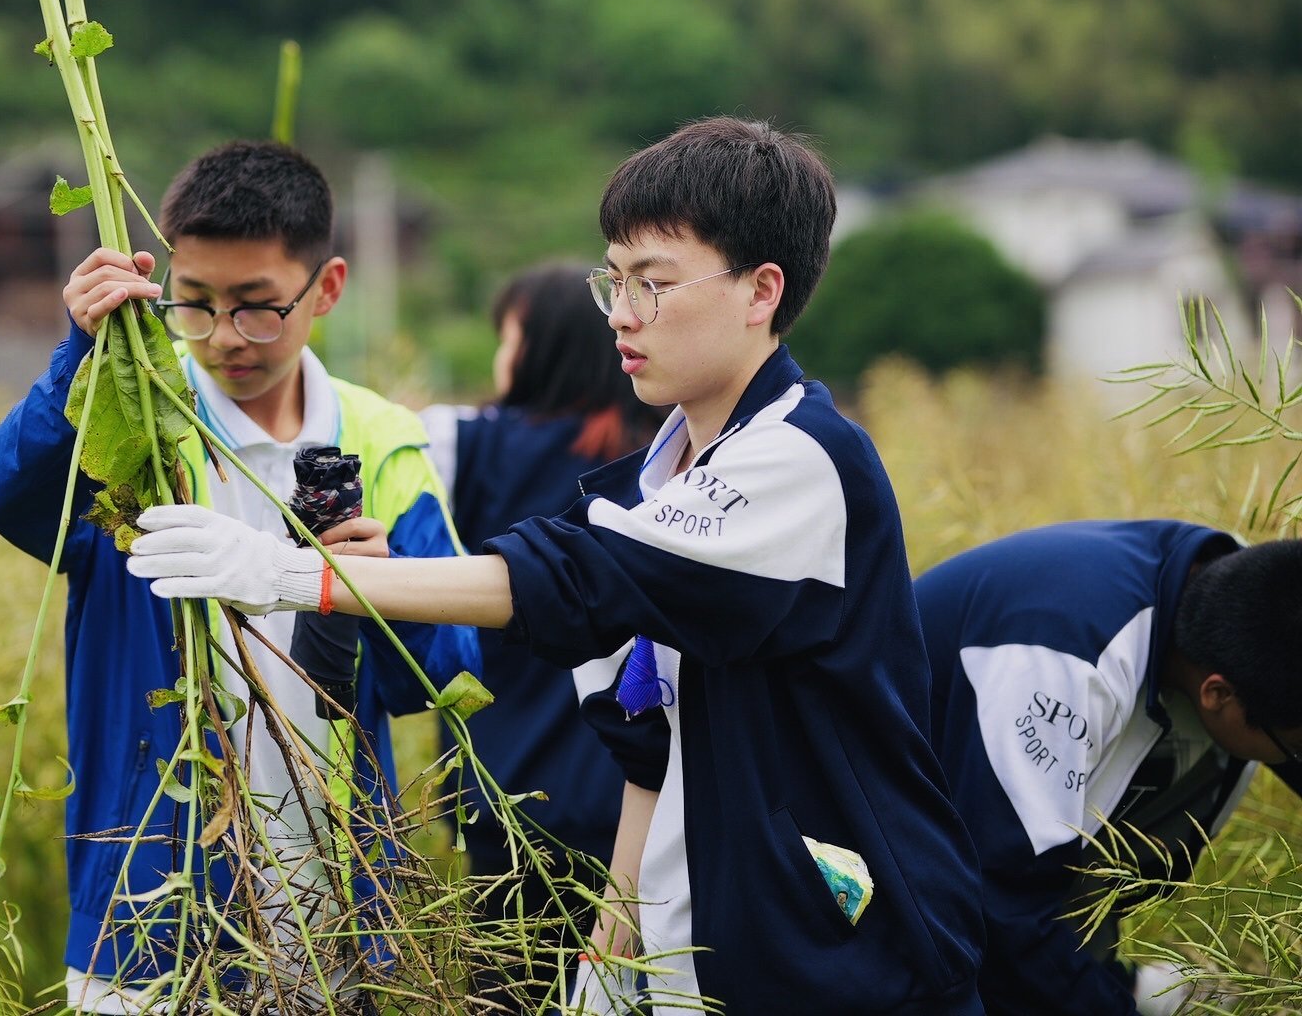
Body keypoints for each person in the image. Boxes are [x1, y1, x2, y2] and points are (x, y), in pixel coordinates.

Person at [125, 116, 987, 1014]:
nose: (619, 313)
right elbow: (649, 746)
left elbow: (572, 576)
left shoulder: (798, 458)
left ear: (760, 290)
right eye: (613, 280)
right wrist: (611, 954)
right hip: (706, 955)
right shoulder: (666, 468)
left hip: (843, 957)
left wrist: (302, 578)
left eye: (652, 284)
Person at [0, 141, 479, 1009]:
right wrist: (79, 356)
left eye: (257, 308)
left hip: (329, 920)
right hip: (149, 917)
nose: (224, 338)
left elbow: (442, 670)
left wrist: (380, 591)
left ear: (328, 288)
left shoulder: (385, 437)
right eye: (194, 306)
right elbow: (1, 495)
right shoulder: (136, 421)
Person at [914, 521, 1302, 1015]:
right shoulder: (1064, 662)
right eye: (1294, 747)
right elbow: (1005, 908)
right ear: (1218, 693)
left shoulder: (1257, 596)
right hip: (870, 838)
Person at [419, 262, 664, 1008]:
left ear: (534, 347)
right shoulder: (664, 457)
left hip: (508, 798)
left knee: (515, 989)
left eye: (507, 335)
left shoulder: (471, 444)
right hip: (644, 807)